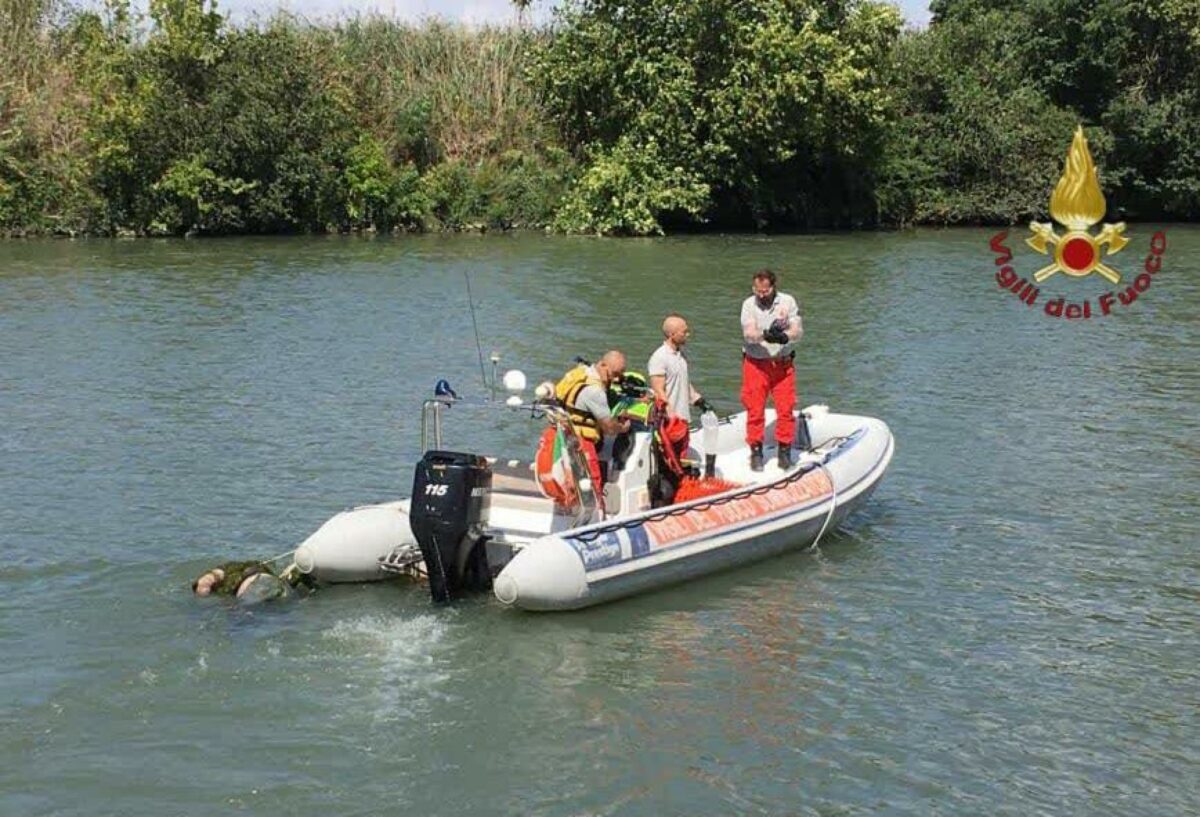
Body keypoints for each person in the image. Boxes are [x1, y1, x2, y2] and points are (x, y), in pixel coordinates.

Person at [740, 268, 802, 471]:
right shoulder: (749, 304)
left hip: (782, 365)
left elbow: (797, 329)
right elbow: (749, 333)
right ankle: (756, 453)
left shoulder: (787, 301)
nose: (761, 295)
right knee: (754, 408)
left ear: (773, 288)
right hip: (756, 364)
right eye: (757, 290)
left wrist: (786, 336)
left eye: (765, 291)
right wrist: (765, 334)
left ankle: (784, 451)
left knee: (786, 408)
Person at [554, 350, 632, 495]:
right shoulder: (595, 392)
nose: (616, 380)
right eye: (614, 374)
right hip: (582, 443)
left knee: (571, 483)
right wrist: (623, 428)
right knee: (591, 484)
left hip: (566, 435)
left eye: (620, 375)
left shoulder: (582, 373)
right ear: (603, 365)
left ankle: (569, 505)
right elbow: (609, 428)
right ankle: (595, 509)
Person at [647, 313, 714, 421]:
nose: (687, 334)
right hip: (667, 420)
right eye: (684, 332)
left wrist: (698, 400)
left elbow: (683, 381)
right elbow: (658, 390)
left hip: (683, 417)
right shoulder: (659, 357)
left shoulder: (680, 355)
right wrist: (670, 413)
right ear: (672, 334)